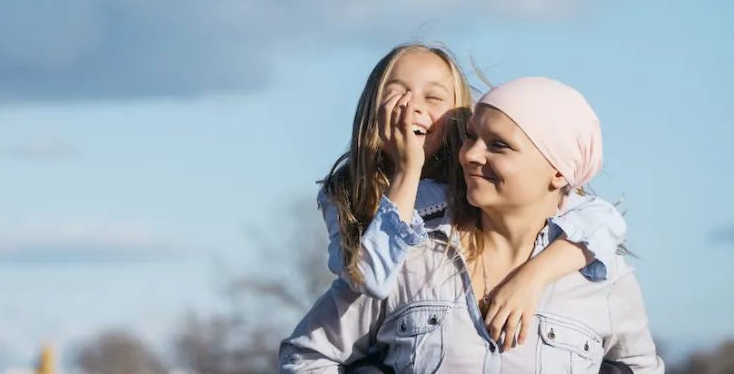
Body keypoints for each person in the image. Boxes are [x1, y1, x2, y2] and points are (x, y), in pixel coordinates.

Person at [281, 76, 663, 373]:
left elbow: (640, 368)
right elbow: (308, 354)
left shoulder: (605, 279)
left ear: (559, 171)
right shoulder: (411, 253)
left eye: (499, 145)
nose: (471, 155)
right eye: (470, 137)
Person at [318, 43, 625, 344]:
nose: (411, 106)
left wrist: (533, 276)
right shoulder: (345, 191)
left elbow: (604, 222)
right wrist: (407, 170)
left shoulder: (473, 182)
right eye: (395, 91)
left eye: (433, 96)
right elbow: (371, 279)